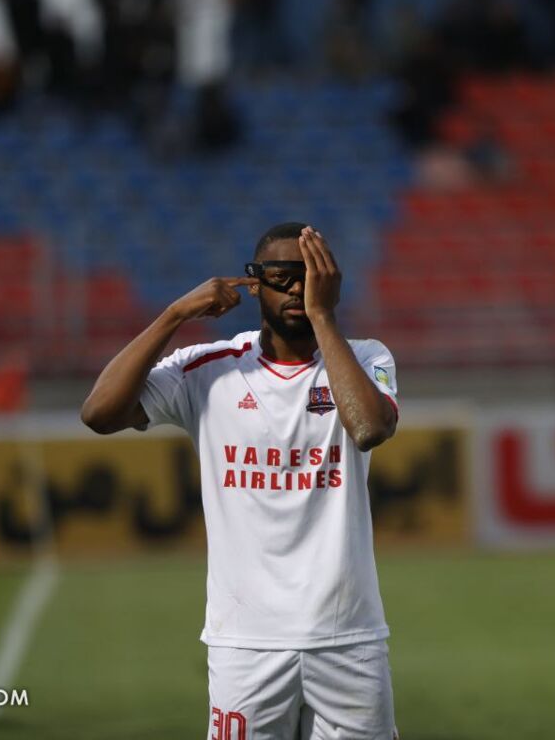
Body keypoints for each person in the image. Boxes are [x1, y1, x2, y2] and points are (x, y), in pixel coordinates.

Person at [82, 223, 400, 739]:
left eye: (312, 275)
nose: (297, 288)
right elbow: (99, 413)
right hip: (245, 644)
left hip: (348, 639)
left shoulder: (366, 358)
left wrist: (323, 316)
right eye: (282, 276)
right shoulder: (209, 370)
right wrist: (174, 315)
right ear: (256, 283)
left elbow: (368, 428)